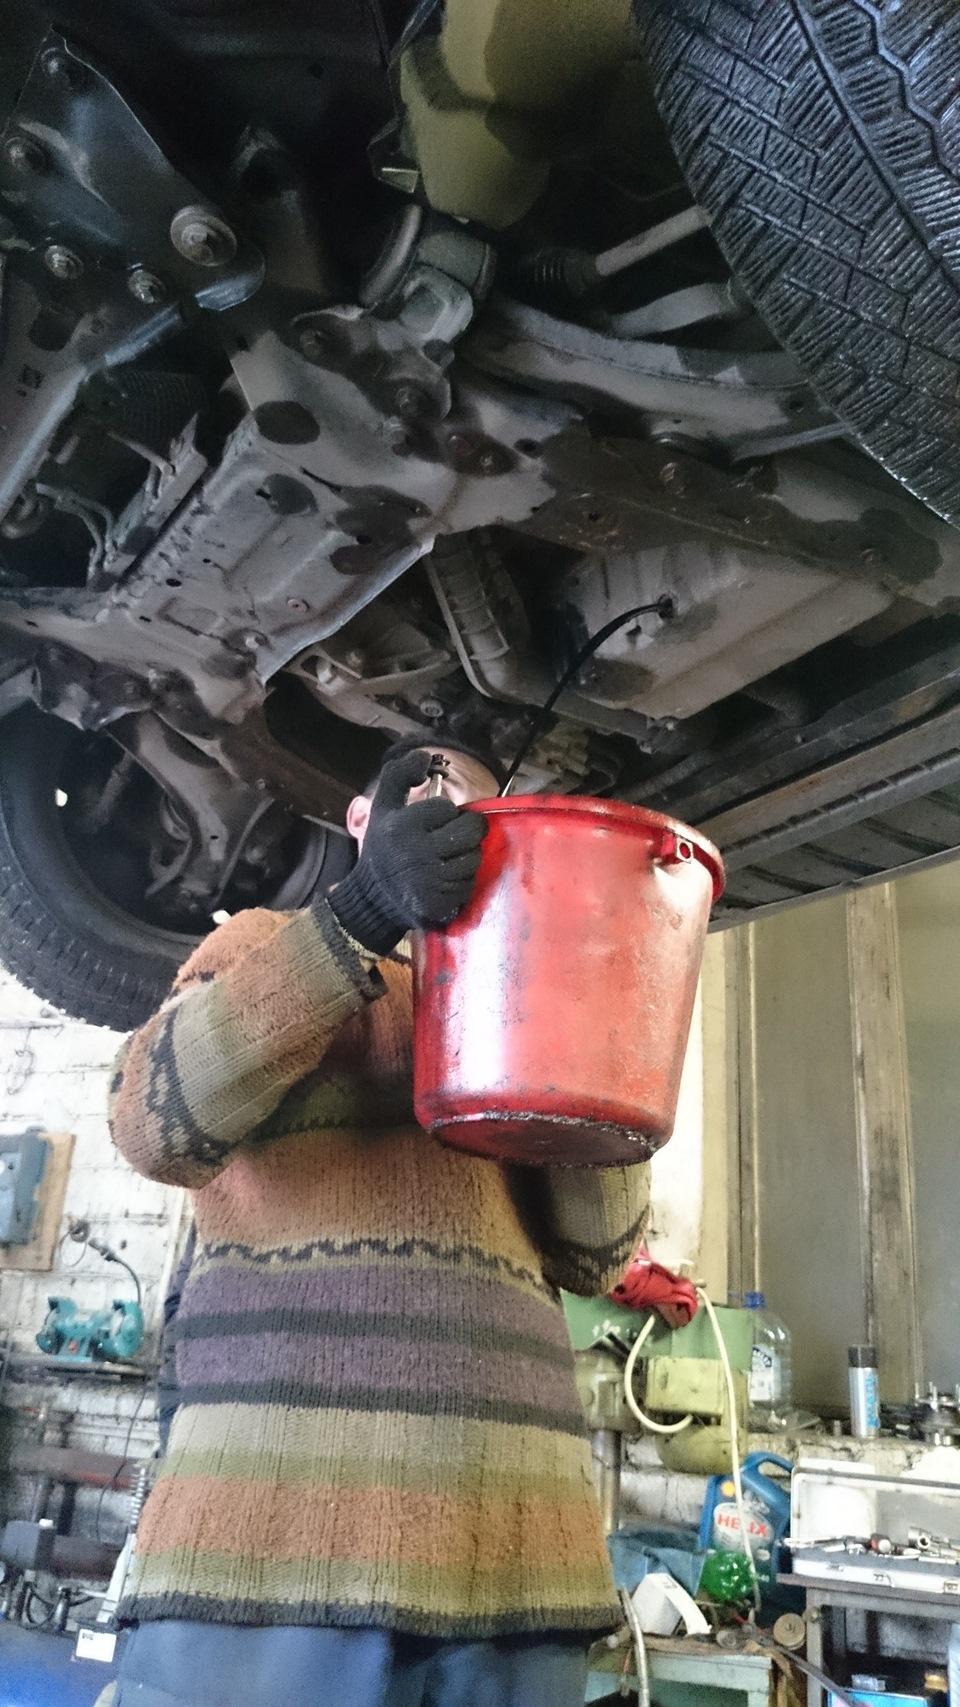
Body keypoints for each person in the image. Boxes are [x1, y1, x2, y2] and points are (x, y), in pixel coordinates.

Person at [107, 734, 650, 1707]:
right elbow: (153, 1122)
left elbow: (599, 1254)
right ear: (364, 821)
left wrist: (592, 1023)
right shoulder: (261, 943)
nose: (448, 818)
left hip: (518, 1566)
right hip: (275, 1562)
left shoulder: (528, 994)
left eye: (474, 805)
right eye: (423, 794)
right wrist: (362, 913)